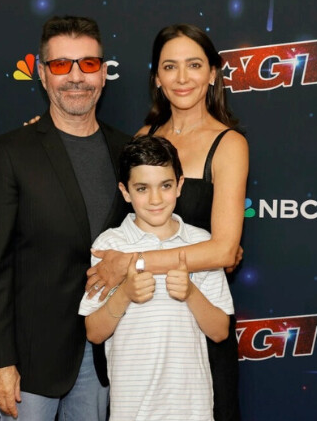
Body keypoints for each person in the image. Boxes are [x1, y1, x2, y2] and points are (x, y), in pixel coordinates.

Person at [0, 15, 130, 420]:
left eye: (88, 64)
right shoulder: (9, 152)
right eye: (61, 65)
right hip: (29, 364)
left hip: (104, 358)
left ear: (103, 73)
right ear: (43, 75)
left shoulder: (129, 151)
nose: (76, 77)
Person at [85, 24, 248, 420]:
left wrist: (131, 262)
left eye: (194, 65)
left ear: (212, 73)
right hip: (140, 334)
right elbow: (123, 227)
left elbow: (223, 250)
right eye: (169, 66)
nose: (182, 77)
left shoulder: (229, 144)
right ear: (156, 77)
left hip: (198, 329)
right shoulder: (144, 137)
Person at [79, 135, 234, 420]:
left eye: (165, 185)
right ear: (125, 192)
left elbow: (220, 331)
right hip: (132, 410)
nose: (155, 199)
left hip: (192, 409)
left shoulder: (201, 244)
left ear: (180, 185)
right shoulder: (110, 246)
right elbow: (94, 332)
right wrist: (125, 292)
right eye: (142, 188)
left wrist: (190, 293)